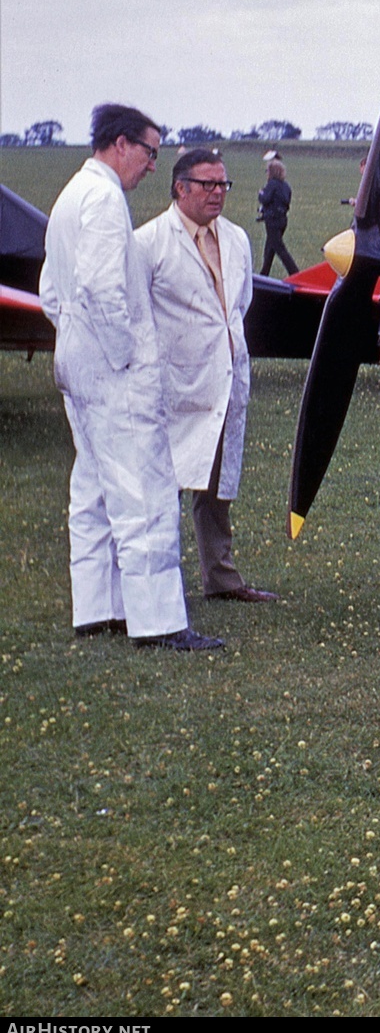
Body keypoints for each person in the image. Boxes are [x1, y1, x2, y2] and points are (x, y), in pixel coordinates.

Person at [37, 104, 220, 650]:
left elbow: (52, 288)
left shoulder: (72, 194)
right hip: (113, 368)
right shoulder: (103, 200)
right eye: (149, 152)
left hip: (78, 359)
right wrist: (127, 355)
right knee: (145, 491)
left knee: (93, 486)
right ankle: (158, 621)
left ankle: (97, 608)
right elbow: (100, 287)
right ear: (120, 145)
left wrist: (76, 340)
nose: (149, 166)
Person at [136, 150, 277, 606]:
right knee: (163, 485)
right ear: (181, 188)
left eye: (224, 185)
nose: (218, 193)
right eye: (208, 185)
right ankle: (150, 580)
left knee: (216, 488)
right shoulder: (149, 243)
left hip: (225, 380)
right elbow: (135, 315)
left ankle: (221, 577)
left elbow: (239, 306)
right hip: (172, 385)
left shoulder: (236, 239)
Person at [255, 157, 299, 275]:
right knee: (269, 249)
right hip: (282, 220)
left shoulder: (272, 184)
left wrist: (260, 194)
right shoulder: (286, 186)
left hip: (272, 221)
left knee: (279, 248)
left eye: (267, 171)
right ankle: (264, 274)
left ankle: (295, 273)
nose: (267, 174)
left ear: (272, 172)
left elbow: (266, 199)